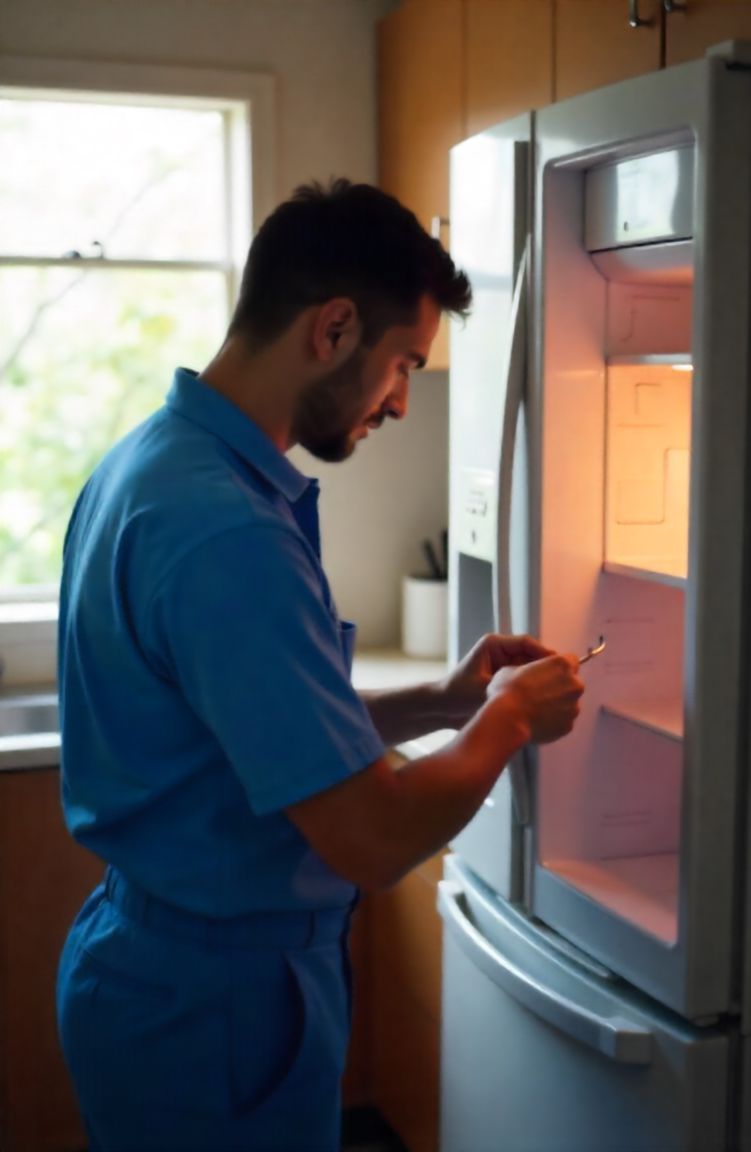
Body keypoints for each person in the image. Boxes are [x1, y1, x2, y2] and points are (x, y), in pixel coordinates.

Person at [56, 178, 584, 1152]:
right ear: (334, 329)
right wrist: (507, 717)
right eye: (404, 364)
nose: (402, 399)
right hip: (213, 1002)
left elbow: (264, 736)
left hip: (156, 966)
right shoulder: (226, 531)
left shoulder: (156, 462)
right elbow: (374, 839)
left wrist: (444, 697)